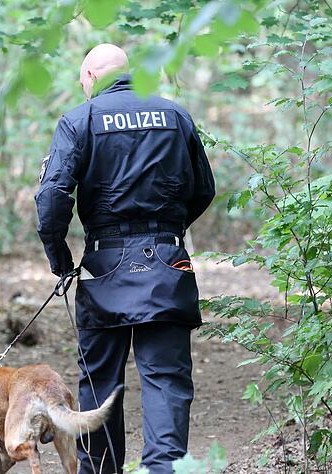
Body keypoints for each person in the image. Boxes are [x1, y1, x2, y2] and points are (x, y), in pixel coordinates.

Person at [34, 43, 215, 474]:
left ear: (90, 76)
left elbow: (52, 198)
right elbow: (203, 189)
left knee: (99, 380)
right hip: (167, 264)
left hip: (103, 265)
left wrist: (61, 260)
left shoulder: (81, 120)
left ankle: (101, 470)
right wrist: (167, 231)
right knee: (166, 379)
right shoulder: (175, 116)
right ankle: (164, 469)